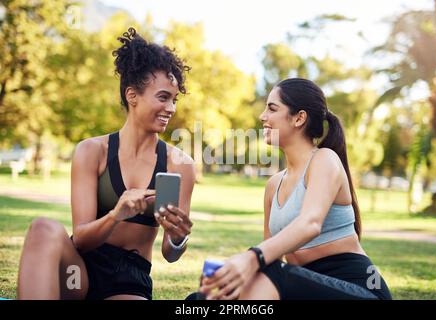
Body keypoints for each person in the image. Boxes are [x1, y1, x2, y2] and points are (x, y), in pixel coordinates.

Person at [17, 27, 195, 300]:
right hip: (78, 273)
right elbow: (84, 239)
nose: (171, 108)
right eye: (163, 97)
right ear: (132, 95)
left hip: (127, 279)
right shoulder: (92, 151)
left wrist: (178, 237)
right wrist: (116, 214)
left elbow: (170, 255)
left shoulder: (180, 164)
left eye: (174, 99)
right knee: (43, 227)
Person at [199, 78, 392, 300]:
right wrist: (229, 281)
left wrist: (252, 258)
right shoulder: (274, 185)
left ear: (299, 118)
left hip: (361, 289)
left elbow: (310, 224)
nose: (263, 116)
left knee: (269, 271)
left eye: (272, 108)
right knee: (202, 299)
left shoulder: (324, 160)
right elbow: (271, 255)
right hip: (301, 286)